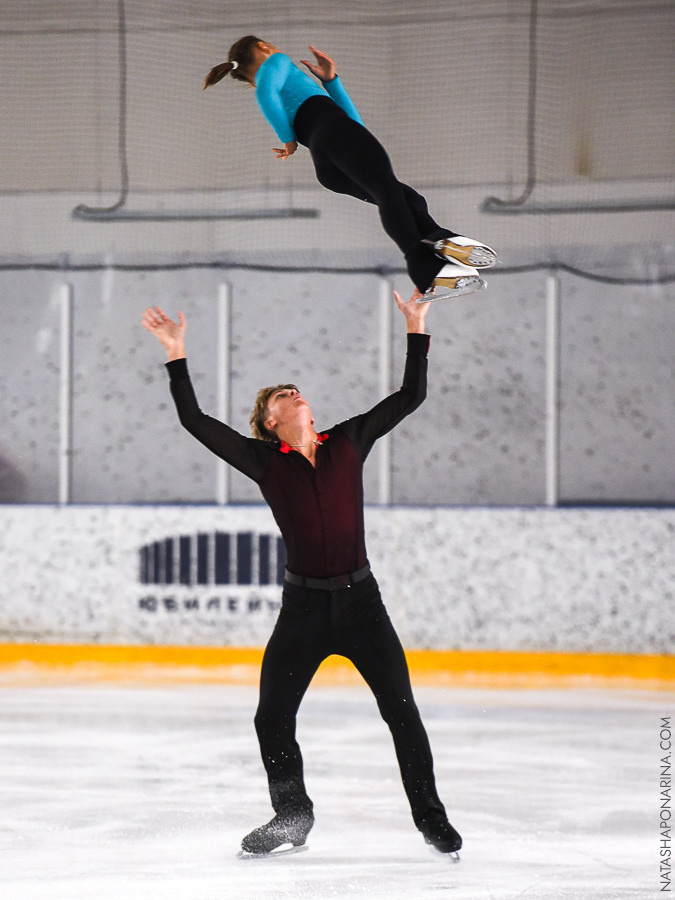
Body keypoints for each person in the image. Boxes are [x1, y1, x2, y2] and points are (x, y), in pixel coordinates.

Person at [141, 289, 463, 858]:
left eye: (295, 391)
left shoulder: (349, 440)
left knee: (401, 711)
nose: (292, 392)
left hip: (363, 603)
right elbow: (194, 420)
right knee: (272, 717)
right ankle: (292, 816)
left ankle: (430, 819)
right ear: (271, 420)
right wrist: (176, 353)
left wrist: (416, 327)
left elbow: (412, 394)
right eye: (279, 396)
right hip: (305, 611)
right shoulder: (266, 462)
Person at [203, 36, 497, 302]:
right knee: (391, 194)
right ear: (265, 47)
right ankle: (427, 270)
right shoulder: (276, 62)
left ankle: (439, 240)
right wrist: (288, 140)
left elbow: (354, 124)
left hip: (328, 162)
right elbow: (267, 96)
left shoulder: (281, 88)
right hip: (335, 134)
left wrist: (331, 81)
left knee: (402, 197)